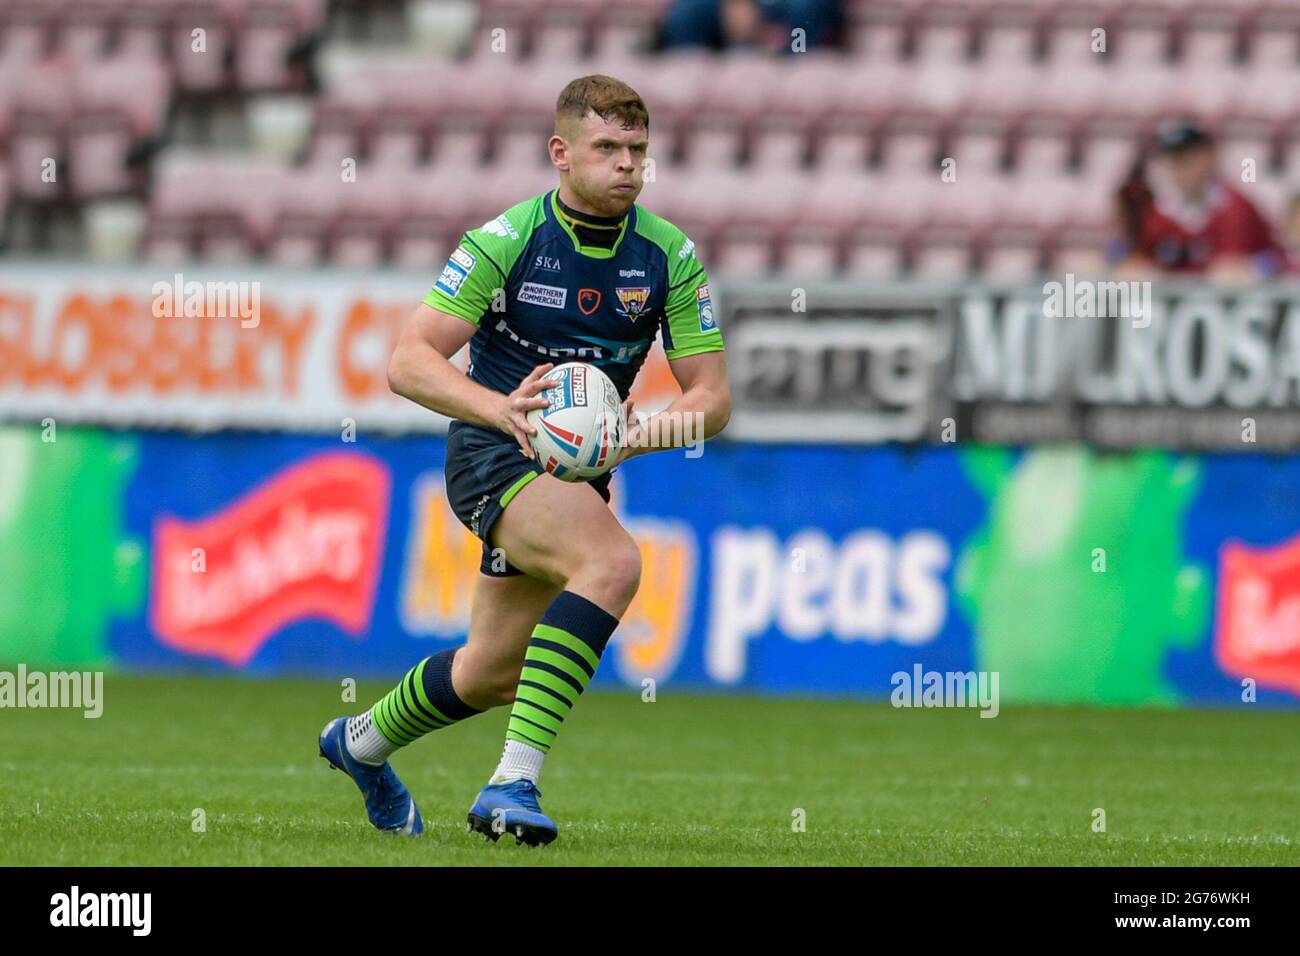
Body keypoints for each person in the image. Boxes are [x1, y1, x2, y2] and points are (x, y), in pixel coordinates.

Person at [317, 75, 731, 846]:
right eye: (607, 148)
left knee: (490, 672)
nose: (627, 166)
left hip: (581, 468)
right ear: (560, 152)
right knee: (611, 565)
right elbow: (409, 361)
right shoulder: (506, 241)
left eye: (638, 150)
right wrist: (496, 408)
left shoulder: (668, 256)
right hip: (492, 447)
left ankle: (360, 743)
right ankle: (513, 782)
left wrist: (638, 435)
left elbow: (711, 399)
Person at [1113, 120, 1284, 283]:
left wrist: (1255, 268)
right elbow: (1131, 256)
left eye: (1187, 159)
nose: (1178, 168)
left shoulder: (1236, 208)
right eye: (1172, 160)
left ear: (1209, 157)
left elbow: (1273, 257)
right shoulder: (1154, 212)